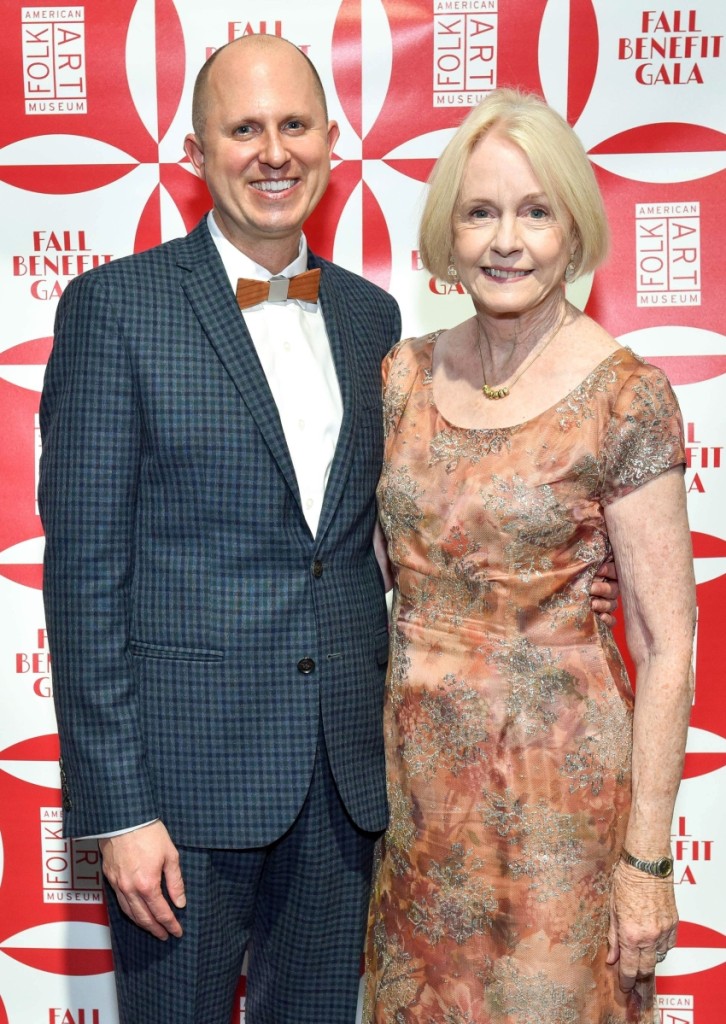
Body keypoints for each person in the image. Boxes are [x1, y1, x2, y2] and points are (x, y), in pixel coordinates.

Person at [38, 40, 618, 1024]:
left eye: (295, 125)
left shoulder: (369, 318)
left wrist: (547, 582)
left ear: (333, 143)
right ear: (194, 151)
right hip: (180, 798)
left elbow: (397, 531)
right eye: (245, 128)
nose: (274, 151)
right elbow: (82, 581)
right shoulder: (115, 308)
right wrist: (118, 811)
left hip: (347, 791)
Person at [364, 88, 695, 1024]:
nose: (507, 240)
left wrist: (644, 862)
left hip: (564, 825)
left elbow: (668, 644)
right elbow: (379, 576)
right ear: (448, 232)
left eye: (535, 211)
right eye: (481, 212)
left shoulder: (625, 396)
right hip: (418, 824)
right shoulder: (403, 377)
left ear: (574, 227)